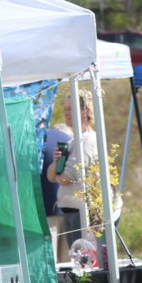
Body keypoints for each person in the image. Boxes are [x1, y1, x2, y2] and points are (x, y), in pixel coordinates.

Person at [47, 89, 97, 261]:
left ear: (85, 111)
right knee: (77, 263)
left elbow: (67, 177)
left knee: (83, 263)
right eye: (66, 108)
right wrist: (56, 166)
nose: (66, 112)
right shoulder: (72, 141)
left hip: (80, 213)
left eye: (71, 108)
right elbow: (51, 175)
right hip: (69, 211)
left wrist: (58, 174)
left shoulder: (88, 140)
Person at [41, 122, 73, 264]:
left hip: (46, 211)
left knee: (51, 263)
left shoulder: (40, 141)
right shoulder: (70, 141)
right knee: (70, 261)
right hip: (70, 210)